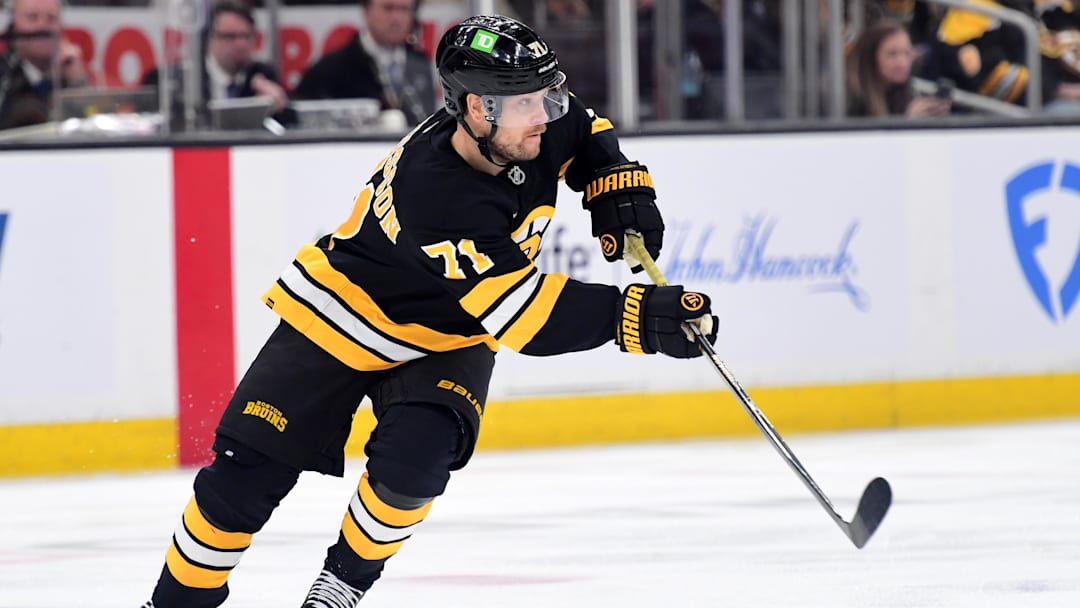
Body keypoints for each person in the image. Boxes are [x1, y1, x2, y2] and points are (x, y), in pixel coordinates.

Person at [142, 14, 717, 608]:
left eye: (549, 93)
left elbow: (586, 128)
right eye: (527, 103)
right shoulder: (435, 188)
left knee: (413, 468)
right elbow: (524, 315)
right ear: (474, 108)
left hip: (452, 332)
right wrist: (640, 317)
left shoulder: (531, 118)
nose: (545, 113)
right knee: (242, 481)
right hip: (343, 314)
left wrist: (618, 184)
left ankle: (337, 591)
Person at [141, 0, 291, 128]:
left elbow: (289, 126)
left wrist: (279, 107)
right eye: (230, 37)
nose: (241, 44)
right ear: (210, 38)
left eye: (246, 36)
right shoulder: (182, 80)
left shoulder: (264, 75)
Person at [291, 0, 436, 126]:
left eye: (404, 9)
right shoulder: (331, 69)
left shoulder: (420, 64)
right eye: (388, 8)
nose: (396, 18)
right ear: (366, 11)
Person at [0, 0, 88, 130]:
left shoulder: (68, 74)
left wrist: (78, 83)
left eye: (51, 18)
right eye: (32, 17)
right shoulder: (4, 78)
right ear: (13, 26)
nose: (42, 26)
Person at [847, 20, 951, 117]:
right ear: (870, 57)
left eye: (907, 54)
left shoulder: (907, 93)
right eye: (892, 54)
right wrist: (907, 120)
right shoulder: (849, 97)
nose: (902, 63)